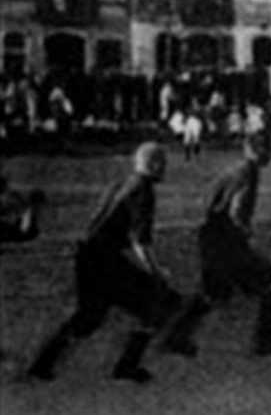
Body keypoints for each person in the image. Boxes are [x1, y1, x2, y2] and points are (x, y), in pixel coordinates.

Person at [27, 143, 183, 383]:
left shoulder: (120, 183)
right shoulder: (144, 190)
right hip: (106, 260)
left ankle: (41, 365)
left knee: (88, 317)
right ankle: (127, 366)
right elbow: (140, 242)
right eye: (164, 163)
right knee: (163, 301)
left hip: (89, 256)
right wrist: (157, 272)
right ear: (154, 164)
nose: (166, 169)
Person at [160, 133, 271, 358]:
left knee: (214, 293)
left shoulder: (232, 169)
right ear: (262, 152)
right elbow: (237, 210)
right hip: (228, 240)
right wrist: (245, 235)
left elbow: (209, 199)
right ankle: (263, 340)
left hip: (212, 236)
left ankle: (176, 336)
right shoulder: (249, 172)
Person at [0, 169, 43, 244]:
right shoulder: (10, 198)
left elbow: (25, 213)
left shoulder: (13, 198)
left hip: (15, 229)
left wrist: (23, 228)